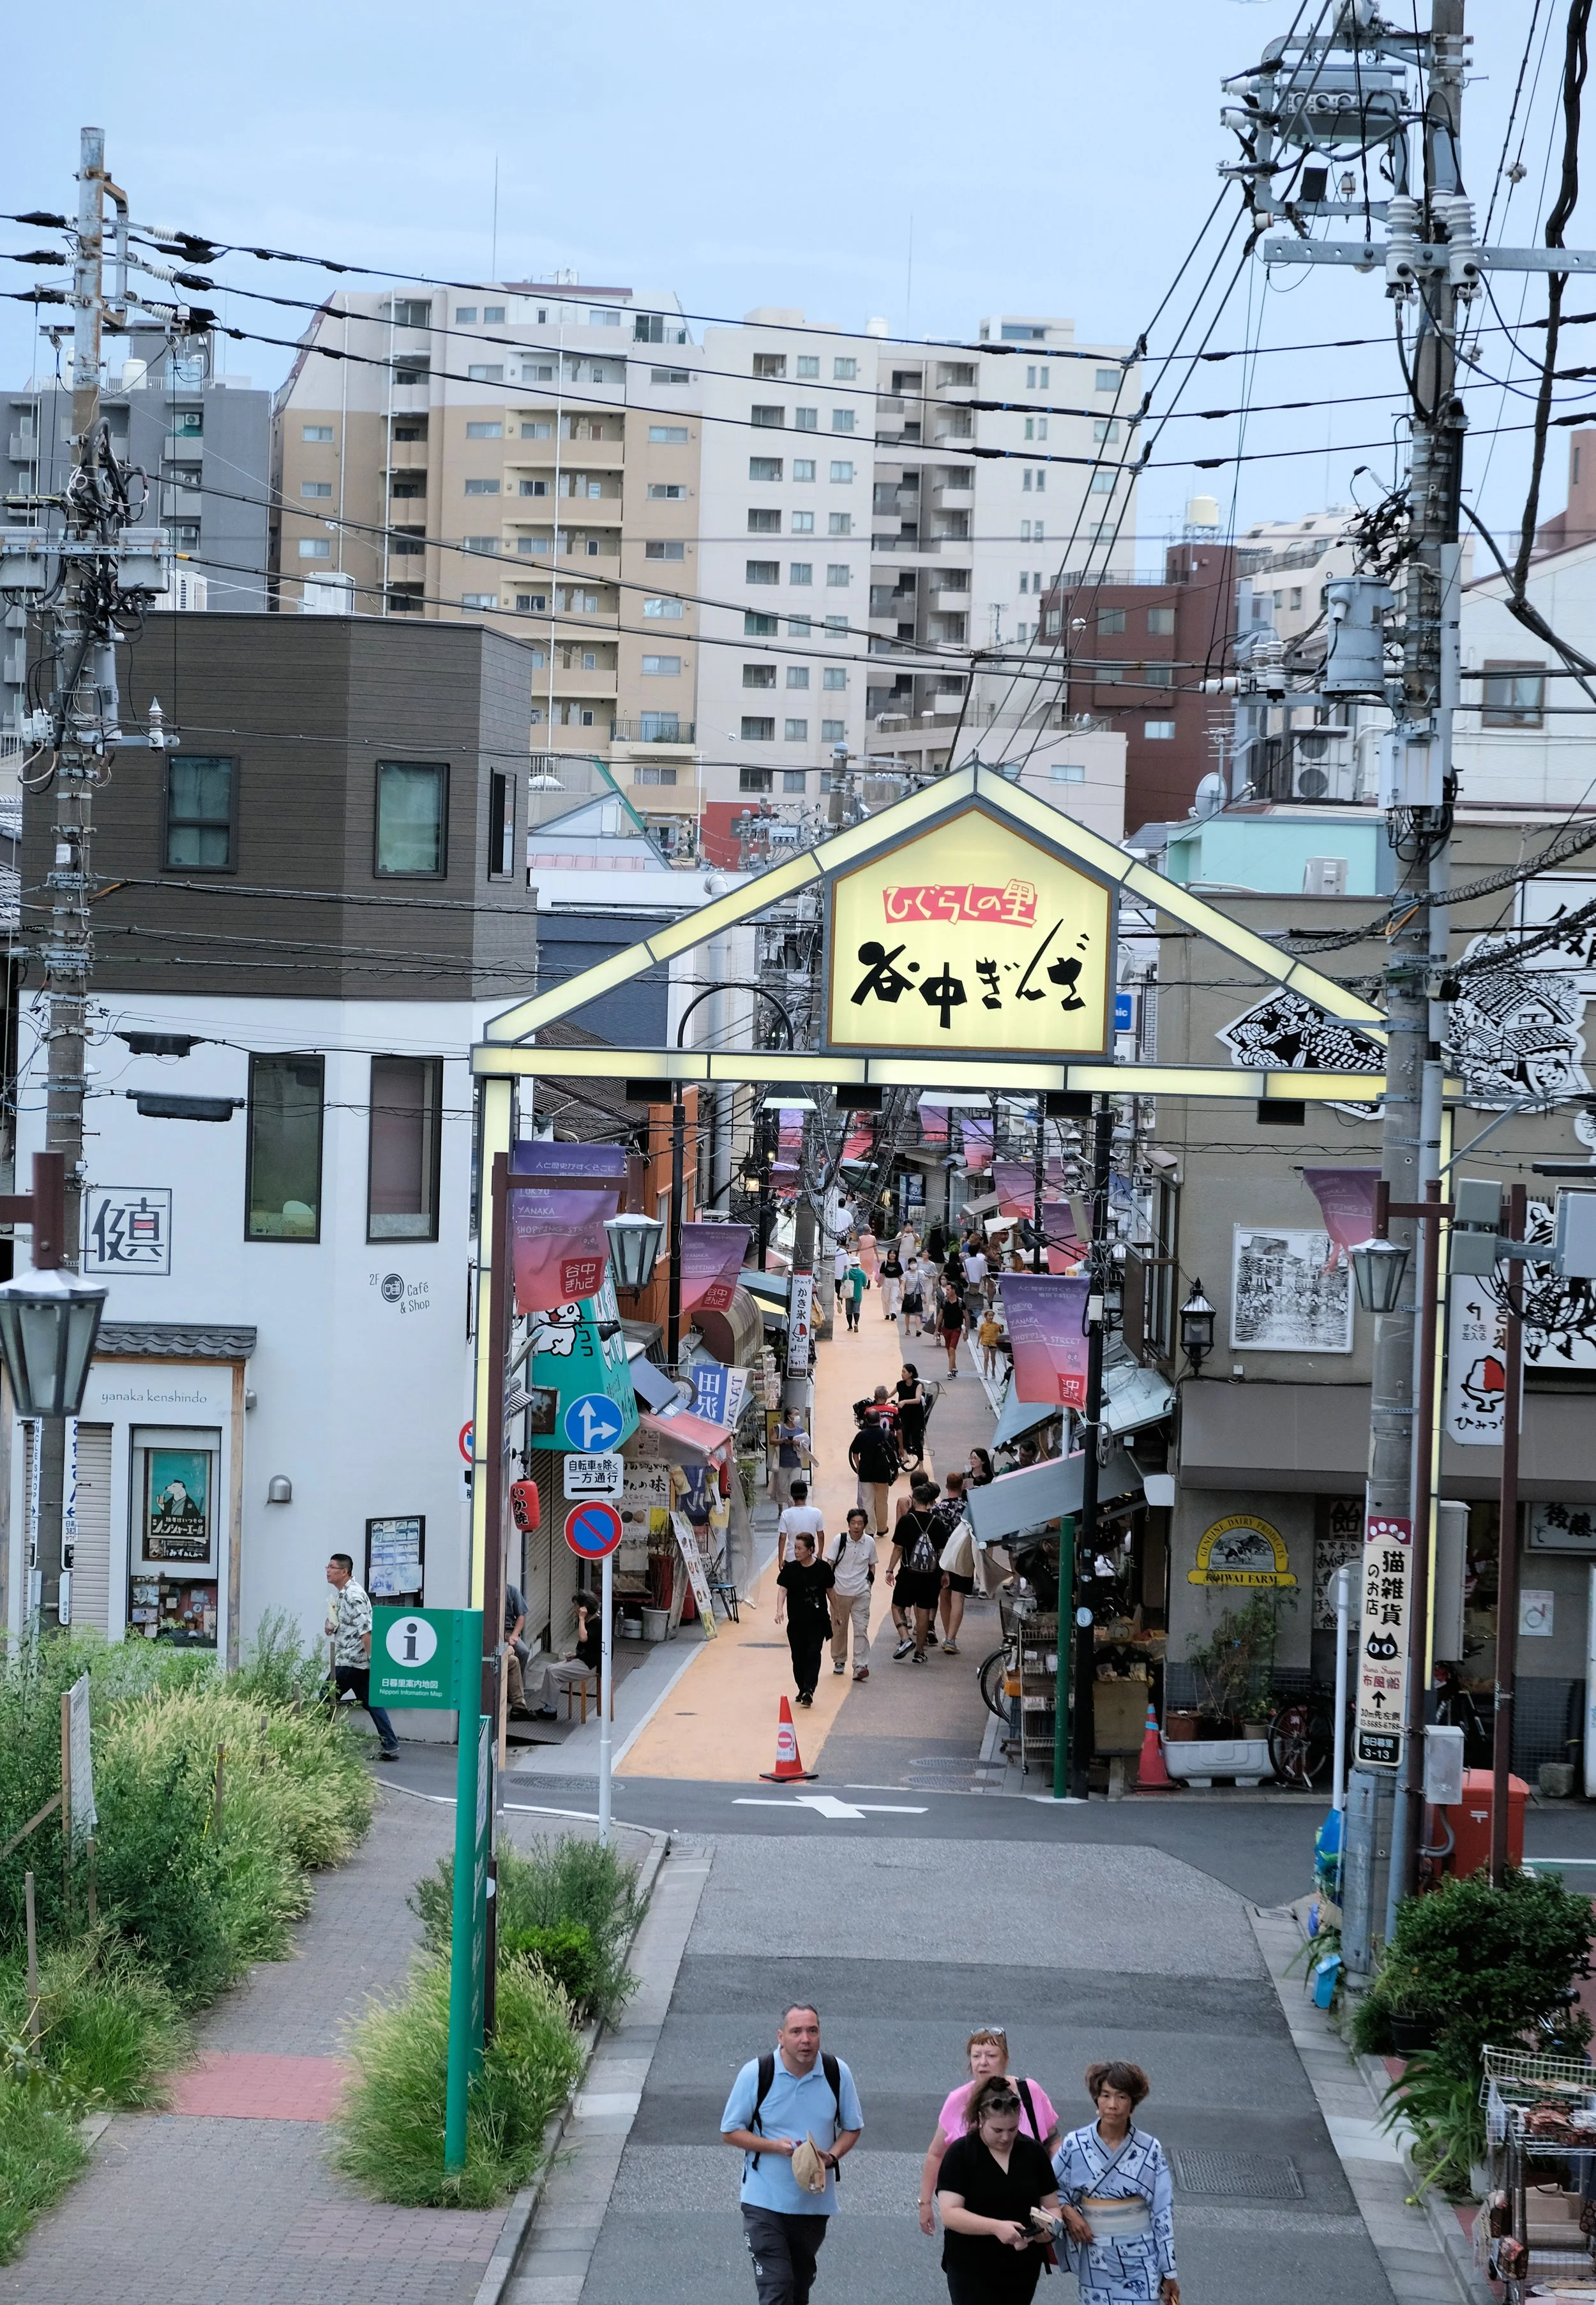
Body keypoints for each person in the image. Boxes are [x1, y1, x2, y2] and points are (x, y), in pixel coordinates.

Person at [721, 2002, 864, 2305]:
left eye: (812, 2031)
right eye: (796, 2031)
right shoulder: (757, 2073)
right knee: (777, 2286)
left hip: (813, 2203)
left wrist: (831, 2157)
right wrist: (774, 2146)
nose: (805, 2039)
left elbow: (852, 2128)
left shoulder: (837, 2072)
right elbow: (730, 2131)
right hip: (763, 2200)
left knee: (798, 2288)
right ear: (781, 2036)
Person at [1051, 2062, 1178, 2305]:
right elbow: (1048, 2187)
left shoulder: (1150, 2149)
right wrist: (1068, 2212)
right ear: (1096, 2099)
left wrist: (1169, 2271)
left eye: (1121, 2097)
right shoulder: (1075, 2144)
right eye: (1105, 2095)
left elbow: (1162, 2212)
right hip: (1095, 2255)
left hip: (1141, 2258)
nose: (1112, 2104)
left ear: (1133, 2103)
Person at [935, 2074, 1063, 2305]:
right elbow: (950, 2214)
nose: (1005, 2137)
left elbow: (1052, 2205)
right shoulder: (960, 2154)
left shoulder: (1033, 2152)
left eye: (1012, 2129)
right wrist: (996, 2228)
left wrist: (1049, 2229)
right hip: (971, 2267)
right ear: (980, 2120)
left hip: (1022, 2267)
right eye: (997, 2130)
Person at [920, 2032, 1062, 2239]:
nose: (983, 2063)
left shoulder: (1030, 2092)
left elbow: (1054, 2141)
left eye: (991, 2056)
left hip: (1025, 2226)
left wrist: (1054, 2193)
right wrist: (924, 2203)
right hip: (972, 2225)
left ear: (1006, 2060)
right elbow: (936, 2154)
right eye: (976, 2056)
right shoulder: (957, 2102)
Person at [323, 1554, 400, 1760]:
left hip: (351, 1660)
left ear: (344, 1572)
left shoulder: (353, 1595)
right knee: (372, 1701)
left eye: (332, 1567)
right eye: (327, 1567)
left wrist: (373, 1659)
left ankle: (319, 1744)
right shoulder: (343, 1595)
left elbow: (366, 1630)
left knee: (325, 1698)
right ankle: (390, 1744)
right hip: (356, 1661)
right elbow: (348, 1624)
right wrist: (331, 1626)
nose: (328, 1571)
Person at [775, 1531, 834, 1706]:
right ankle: (802, 1687)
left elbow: (830, 1591)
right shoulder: (790, 1569)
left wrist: (837, 1612)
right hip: (796, 1622)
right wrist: (779, 1610)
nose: (796, 1552)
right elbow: (782, 1590)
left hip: (818, 1621)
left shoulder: (823, 1568)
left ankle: (809, 1689)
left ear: (811, 1550)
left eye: (800, 1548)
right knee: (798, 1657)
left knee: (813, 1654)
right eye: (795, 1548)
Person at [890, 1482, 945, 1662]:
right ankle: (920, 1653)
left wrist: (890, 1569)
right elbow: (942, 1552)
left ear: (914, 1500)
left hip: (909, 1573)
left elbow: (898, 1548)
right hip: (931, 1576)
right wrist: (945, 1573)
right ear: (930, 1502)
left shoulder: (907, 1520)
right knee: (924, 1614)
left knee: (897, 1607)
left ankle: (905, 1639)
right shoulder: (937, 1522)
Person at [825, 1507, 876, 1680]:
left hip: (861, 1592)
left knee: (861, 1628)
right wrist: (829, 1588)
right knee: (839, 1628)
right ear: (848, 1524)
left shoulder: (869, 1542)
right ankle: (839, 1660)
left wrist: (869, 1584)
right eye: (853, 1523)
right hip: (840, 1592)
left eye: (860, 1523)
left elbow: (872, 1565)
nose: (856, 1527)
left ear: (865, 1525)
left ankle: (860, 1665)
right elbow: (830, 1563)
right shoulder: (839, 1540)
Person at [934, 1469, 974, 1654]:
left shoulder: (937, 1509)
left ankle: (946, 1634)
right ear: (962, 1486)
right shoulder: (969, 1509)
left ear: (946, 1486)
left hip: (942, 1558)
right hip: (963, 1556)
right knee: (958, 1598)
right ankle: (951, 1638)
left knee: (944, 1595)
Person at [848, 1407, 900, 1538]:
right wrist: (895, 1470)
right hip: (883, 1472)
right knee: (882, 1501)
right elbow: (893, 1453)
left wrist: (858, 1466)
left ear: (867, 1420)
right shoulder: (886, 1434)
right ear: (880, 1419)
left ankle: (870, 1530)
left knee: (867, 1502)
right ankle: (882, 1528)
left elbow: (855, 1453)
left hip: (866, 1472)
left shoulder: (861, 1435)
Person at [778, 1478, 827, 1568]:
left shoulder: (786, 1514)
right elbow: (821, 1536)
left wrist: (780, 1559)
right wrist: (819, 1554)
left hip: (791, 1558)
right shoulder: (817, 1513)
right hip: (810, 1558)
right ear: (806, 1494)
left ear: (791, 1495)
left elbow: (782, 1538)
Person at [772, 1410, 811, 1507]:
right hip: (782, 1463)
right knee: (782, 1488)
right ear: (789, 1417)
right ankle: (781, 1506)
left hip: (796, 1463)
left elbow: (806, 1445)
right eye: (796, 1414)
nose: (798, 1417)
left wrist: (798, 1443)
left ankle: (792, 1507)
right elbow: (772, 1440)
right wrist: (783, 1440)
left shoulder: (801, 1431)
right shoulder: (779, 1428)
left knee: (793, 1488)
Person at [894, 1363, 927, 1467]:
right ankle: (905, 1456)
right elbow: (889, 1394)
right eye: (902, 1372)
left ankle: (921, 1464)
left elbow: (917, 1400)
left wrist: (904, 1402)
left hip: (916, 1417)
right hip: (904, 1415)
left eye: (904, 1372)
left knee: (916, 1439)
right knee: (901, 1434)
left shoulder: (918, 1385)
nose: (902, 1374)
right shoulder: (900, 1385)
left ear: (911, 1374)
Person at [938, 1275, 967, 1376]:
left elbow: (966, 1317)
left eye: (948, 1290)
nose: (947, 1292)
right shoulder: (944, 1302)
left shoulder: (960, 1302)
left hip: (956, 1329)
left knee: (952, 1349)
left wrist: (966, 1332)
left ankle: (950, 1371)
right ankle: (954, 1367)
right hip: (946, 1328)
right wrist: (937, 1329)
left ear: (953, 1291)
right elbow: (940, 1315)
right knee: (949, 1349)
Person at [878, 1243, 903, 1323]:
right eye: (891, 1254)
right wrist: (880, 1283)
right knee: (886, 1298)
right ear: (888, 1255)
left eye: (894, 1254)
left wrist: (902, 1285)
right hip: (887, 1281)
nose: (892, 1255)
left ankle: (893, 1312)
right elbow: (882, 1274)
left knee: (893, 1298)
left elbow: (900, 1275)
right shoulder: (885, 1263)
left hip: (895, 1281)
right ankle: (887, 1314)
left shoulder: (898, 1264)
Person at [977, 1306, 1004, 1381]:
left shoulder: (996, 1325)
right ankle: (985, 1373)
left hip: (993, 1343)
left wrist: (1002, 1327)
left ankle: (993, 1370)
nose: (991, 1317)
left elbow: (1001, 1331)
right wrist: (977, 1343)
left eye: (992, 1316)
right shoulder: (983, 1325)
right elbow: (980, 1334)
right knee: (986, 1358)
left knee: (993, 1359)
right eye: (989, 1316)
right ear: (986, 1316)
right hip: (985, 1342)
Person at [900, 1259, 925, 1340]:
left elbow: (922, 1285)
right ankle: (908, 1329)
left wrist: (924, 1296)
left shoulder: (919, 1274)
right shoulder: (906, 1274)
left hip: (917, 1296)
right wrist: (902, 1293)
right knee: (908, 1314)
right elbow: (903, 1284)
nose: (913, 1265)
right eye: (912, 1263)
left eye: (915, 1263)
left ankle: (918, 1330)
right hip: (908, 1295)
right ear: (909, 1265)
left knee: (917, 1314)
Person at [844, 1254, 868, 1332]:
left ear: (851, 1264)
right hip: (858, 1294)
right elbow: (864, 1284)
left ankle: (850, 1326)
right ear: (858, 1264)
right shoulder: (862, 1273)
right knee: (856, 1310)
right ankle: (856, 1324)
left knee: (849, 1311)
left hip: (848, 1294)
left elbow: (842, 1281)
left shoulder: (847, 1272)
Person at [833, 1242, 850, 1309]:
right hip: (840, 1275)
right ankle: (840, 1299)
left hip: (829, 1274)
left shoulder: (827, 1251)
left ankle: (832, 1303)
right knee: (839, 1289)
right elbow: (846, 1265)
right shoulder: (843, 1252)